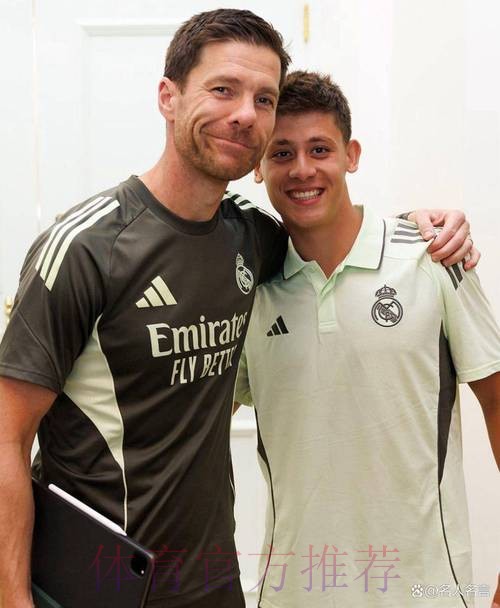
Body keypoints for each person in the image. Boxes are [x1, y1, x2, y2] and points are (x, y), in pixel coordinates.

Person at [0, 9, 476, 608]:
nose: (246, 113)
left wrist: (417, 231)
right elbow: (7, 436)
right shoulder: (87, 247)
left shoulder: (254, 238)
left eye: (263, 98)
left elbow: (334, 235)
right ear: (168, 97)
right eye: (223, 89)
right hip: (100, 585)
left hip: (215, 584)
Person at [235, 71, 500, 608]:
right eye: (281, 153)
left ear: (351, 155)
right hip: (294, 594)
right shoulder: (247, 289)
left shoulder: (433, 257)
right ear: (258, 167)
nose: (302, 169)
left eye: (320, 149)